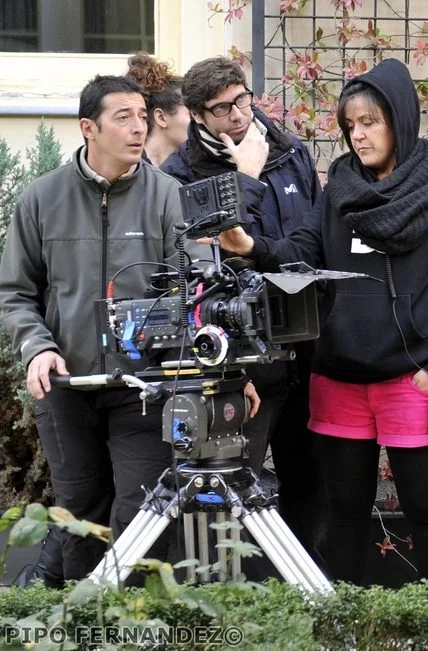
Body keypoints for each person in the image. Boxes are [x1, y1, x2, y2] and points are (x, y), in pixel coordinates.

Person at [211, 58, 428, 587]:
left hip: (414, 377)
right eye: (351, 124)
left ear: (400, 120)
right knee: (344, 511)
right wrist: (252, 247)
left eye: (370, 122)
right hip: (339, 376)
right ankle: (344, 620)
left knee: (425, 508)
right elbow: (302, 250)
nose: (358, 135)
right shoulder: (340, 187)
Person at [0, 75, 211, 583]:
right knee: (79, 513)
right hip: (67, 385)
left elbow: (198, 288)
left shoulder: (168, 196)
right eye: (123, 117)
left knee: (142, 508)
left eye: (142, 116)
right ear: (88, 128)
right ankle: (83, 617)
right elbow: (15, 292)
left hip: (144, 386)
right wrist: (37, 348)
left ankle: (133, 616)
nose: (139, 127)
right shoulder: (42, 198)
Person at [160, 56, 325, 563]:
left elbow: (314, 242)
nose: (237, 114)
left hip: (306, 347)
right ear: (196, 114)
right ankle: (229, 595)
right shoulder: (179, 175)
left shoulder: (289, 151)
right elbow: (209, 258)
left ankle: (305, 591)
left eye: (242, 99)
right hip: (242, 363)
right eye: (222, 108)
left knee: (311, 487)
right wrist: (245, 176)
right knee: (231, 492)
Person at [124, 52, 190, 166]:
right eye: (192, 114)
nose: (200, 121)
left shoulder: (197, 167)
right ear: (161, 117)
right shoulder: (126, 169)